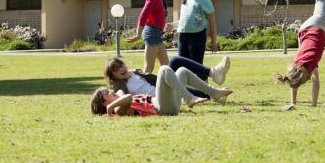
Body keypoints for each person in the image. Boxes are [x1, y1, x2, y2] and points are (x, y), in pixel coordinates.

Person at [275, 0, 325, 107]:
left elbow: (316, 82)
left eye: (305, 80)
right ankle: (293, 101)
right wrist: (293, 104)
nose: (308, 80)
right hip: (303, 33)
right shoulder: (297, 64)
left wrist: (314, 105)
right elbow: (293, 80)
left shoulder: (309, 66)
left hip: (315, 27)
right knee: (293, 76)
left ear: (304, 74)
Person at [91, 63, 232, 116]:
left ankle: (213, 93)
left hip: (166, 103)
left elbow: (123, 96)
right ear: (104, 103)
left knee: (182, 70)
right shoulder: (116, 109)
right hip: (161, 107)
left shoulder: (133, 76)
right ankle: (189, 98)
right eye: (107, 93)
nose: (111, 91)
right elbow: (126, 98)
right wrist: (112, 105)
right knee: (164, 69)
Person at [102, 57, 231, 103]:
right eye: (116, 70)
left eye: (120, 65)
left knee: (181, 69)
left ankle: (213, 85)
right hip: (163, 96)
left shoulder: (134, 73)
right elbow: (117, 96)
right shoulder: (122, 86)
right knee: (173, 63)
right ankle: (213, 76)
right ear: (114, 77)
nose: (120, 69)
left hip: (168, 88)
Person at [127, 0, 173, 73]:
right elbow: (143, 15)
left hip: (156, 34)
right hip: (152, 34)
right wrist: (138, 34)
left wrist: (164, 25)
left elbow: (155, 16)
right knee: (148, 68)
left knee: (166, 67)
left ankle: (168, 89)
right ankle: (135, 80)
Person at [175, 0, 218, 67]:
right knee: (181, 67)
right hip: (183, 36)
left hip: (197, 36)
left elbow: (213, 22)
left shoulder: (205, 1)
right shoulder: (185, 1)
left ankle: (203, 81)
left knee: (196, 67)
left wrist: (214, 41)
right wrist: (172, 25)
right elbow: (184, 20)